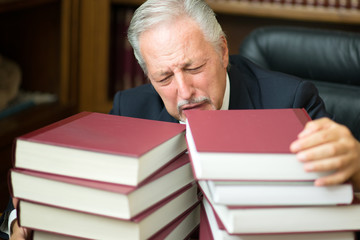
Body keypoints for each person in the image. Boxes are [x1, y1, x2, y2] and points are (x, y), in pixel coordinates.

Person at [2, 0, 360, 239]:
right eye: (164, 78)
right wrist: (24, 222)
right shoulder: (132, 108)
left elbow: (340, 193)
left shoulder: (291, 101)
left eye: (194, 67)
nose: (185, 91)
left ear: (221, 51)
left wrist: (355, 164)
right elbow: (65, 189)